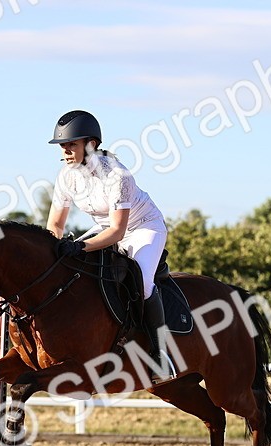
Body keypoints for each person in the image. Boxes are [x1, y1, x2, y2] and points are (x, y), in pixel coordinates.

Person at [45, 109, 175, 380]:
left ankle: (162, 356)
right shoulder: (66, 176)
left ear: (90, 145)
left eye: (71, 144)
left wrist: (80, 247)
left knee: (142, 282)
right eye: (62, 145)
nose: (65, 150)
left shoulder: (117, 176)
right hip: (106, 227)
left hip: (143, 227)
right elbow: (55, 225)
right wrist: (53, 252)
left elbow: (118, 232)